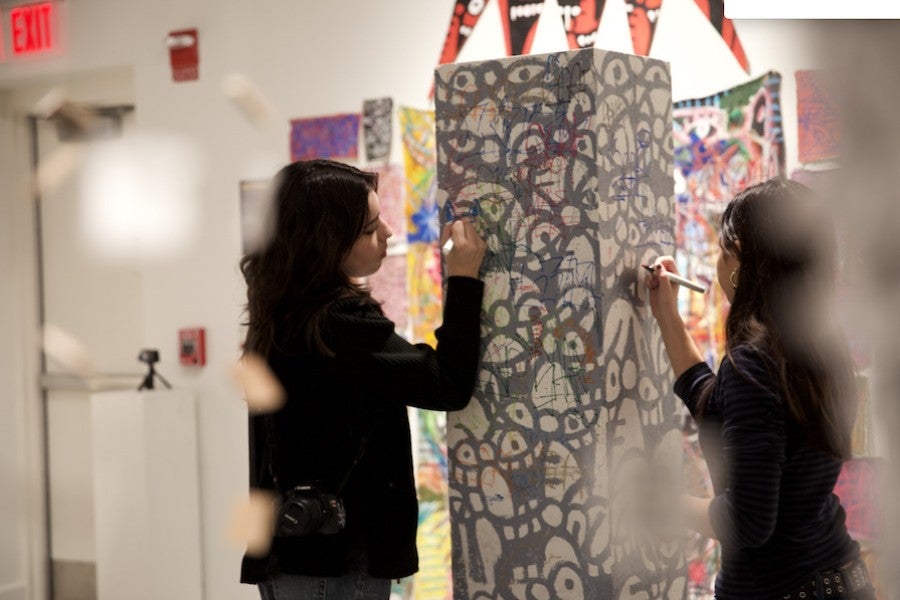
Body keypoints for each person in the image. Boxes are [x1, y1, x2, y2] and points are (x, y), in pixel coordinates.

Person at [239, 159, 486, 600]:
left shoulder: (281, 312)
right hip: (333, 563)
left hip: (293, 553)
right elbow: (448, 383)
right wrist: (465, 278)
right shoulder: (339, 322)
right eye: (370, 227)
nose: (387, 232)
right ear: (327, 242)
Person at [646, 178, 875, 599]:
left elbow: (747, 522)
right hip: (842, 579)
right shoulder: (823, 348)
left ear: (741, 260)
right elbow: (720, 407)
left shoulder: (754, 362)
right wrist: (667, 317)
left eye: (722, 250)